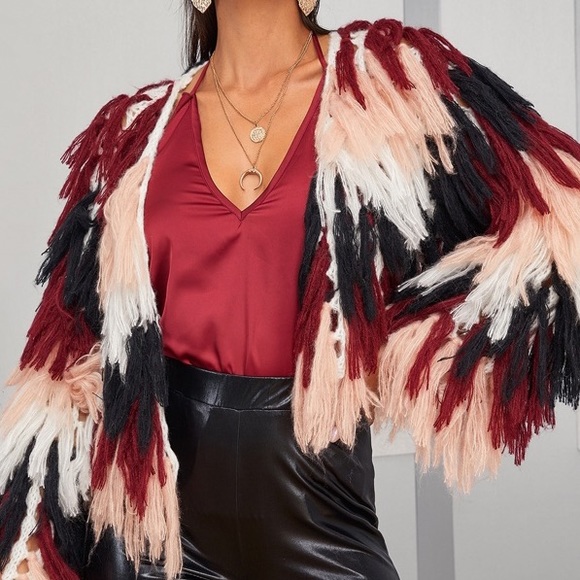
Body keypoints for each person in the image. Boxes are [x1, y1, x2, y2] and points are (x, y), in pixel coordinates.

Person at [1, 0, 579, 579]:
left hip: (318, 507)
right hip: (157, 533)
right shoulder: (135, 134)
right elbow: (63, 359)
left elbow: (559, 209)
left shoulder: (386, 83)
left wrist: (421, 350)